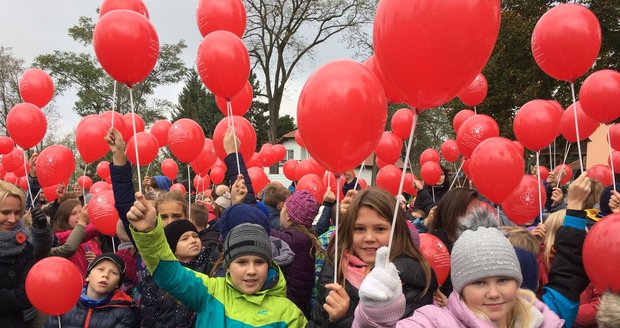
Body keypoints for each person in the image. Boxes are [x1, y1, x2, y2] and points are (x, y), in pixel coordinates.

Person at [353, 173, 594, 328]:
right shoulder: (436, 321)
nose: (493, 293)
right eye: (478, 282)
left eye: (503, 279)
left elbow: (567, 275)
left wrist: (574, 210)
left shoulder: (544, 319)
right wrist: (377, 313)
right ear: (461, 286)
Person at [126, 194, 308, 327]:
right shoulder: (209, 292)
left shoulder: (288, 312)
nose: (251, 270)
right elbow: (169, 274)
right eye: (242, 262)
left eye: (259, 262)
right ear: (227, 265)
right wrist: (149, 233)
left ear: (269, 265)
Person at [312, 188, 436, 327]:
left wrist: (343, 319)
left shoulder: (412, 282)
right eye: (359, 228)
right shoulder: (336, 268)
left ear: (397, 232)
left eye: (380, 229)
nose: (369, 238)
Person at [45, 253, 135, 327]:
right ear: (88, 276)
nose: (106, 275)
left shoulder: (124, 314)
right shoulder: (64, 304)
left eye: (114, 273)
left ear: (117, 284)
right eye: (100, 269)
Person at [272, 190, 320, 318]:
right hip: (298, 306)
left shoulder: (296, 240)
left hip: (292, 309)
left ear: (288, 216)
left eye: (284, 208)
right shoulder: (306, 237)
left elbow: (263, 230)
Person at [0, 181, 36, 327]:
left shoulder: (25, 247)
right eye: (5, 212)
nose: (12, 219)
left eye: (17, 213)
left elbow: (28, 294)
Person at [52, 199, 101, 277]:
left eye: (81, 212)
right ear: (64, 216)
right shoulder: (59, 237)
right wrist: (100, 221)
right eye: (73, 213)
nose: (79, 216)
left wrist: (97, 259)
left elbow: (102, 261)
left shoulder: (92, 239)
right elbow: (79, 234)